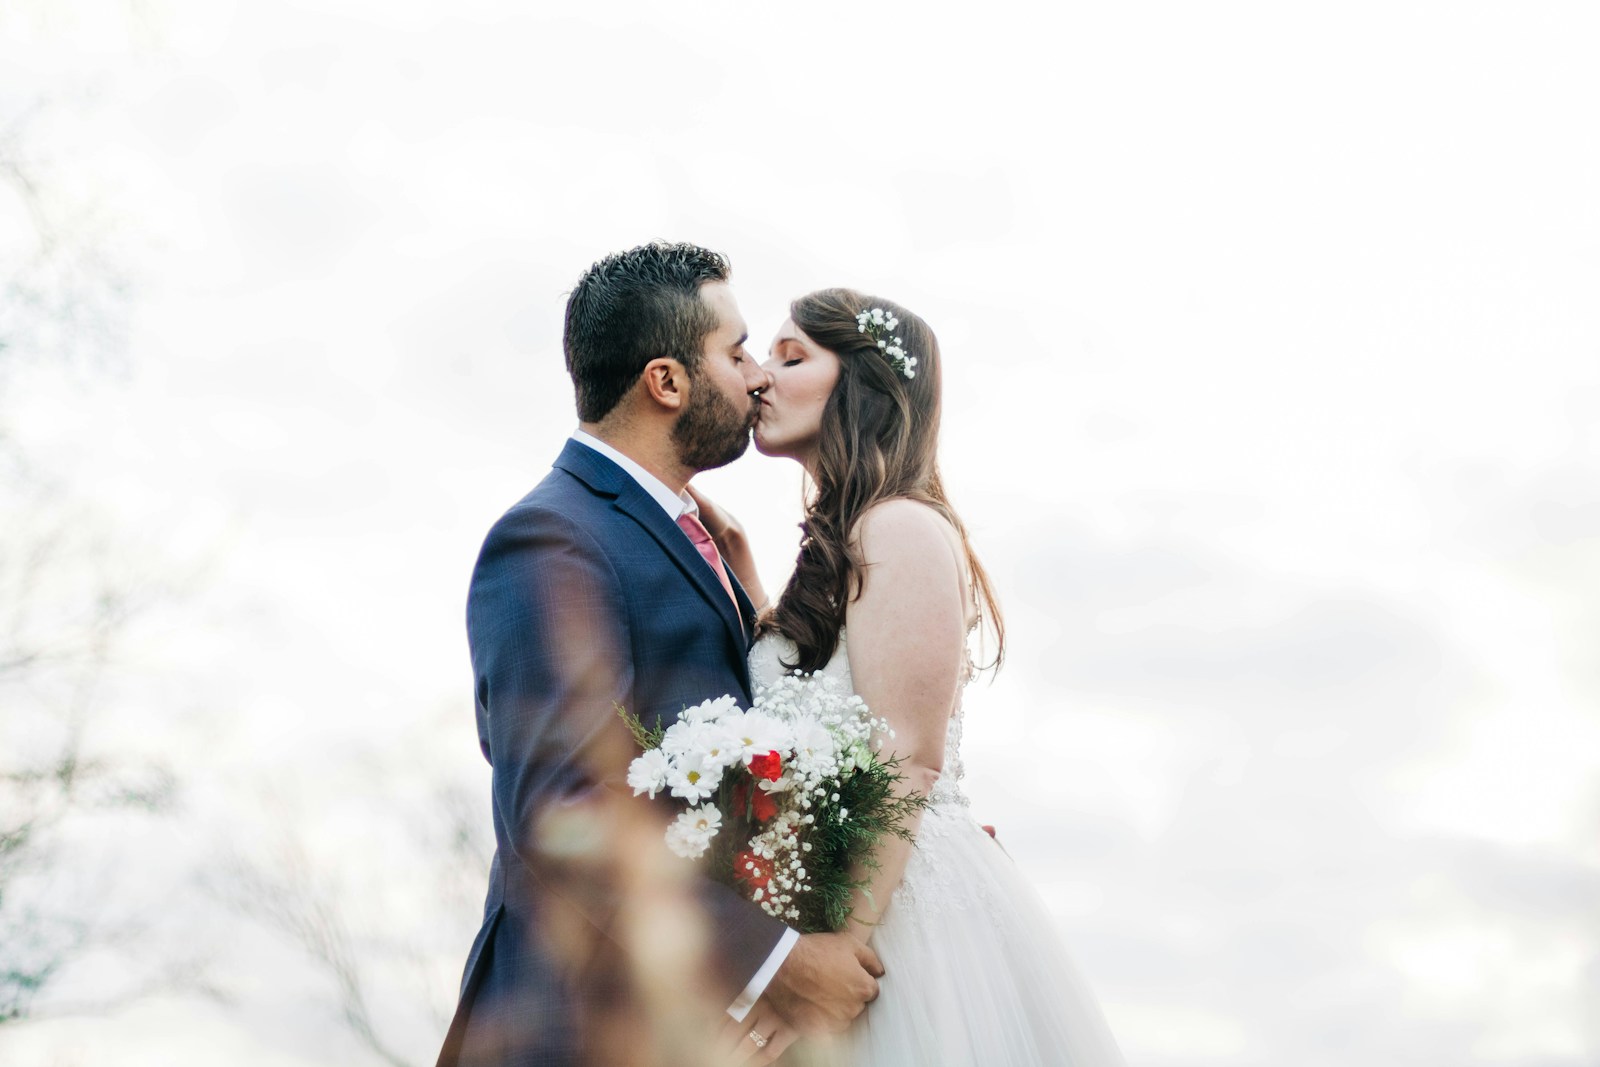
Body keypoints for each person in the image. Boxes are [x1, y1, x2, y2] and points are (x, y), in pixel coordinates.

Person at [436, 247, 884, 1067]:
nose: (756, 376)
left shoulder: (695, 537)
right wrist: (773, 961)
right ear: (667, 382)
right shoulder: (553, 538)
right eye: (737, 350)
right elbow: (560, 810)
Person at [696, 288, 1127, 1066]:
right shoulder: (842, 542)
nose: (759, 376)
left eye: (791, 357)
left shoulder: (900, 525)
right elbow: (831, 690)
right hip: (839, 890)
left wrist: (838, 956)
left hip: (897, 916)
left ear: (863, 384)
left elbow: (908, 753)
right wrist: (757, 593)